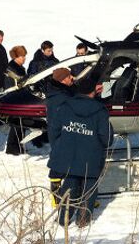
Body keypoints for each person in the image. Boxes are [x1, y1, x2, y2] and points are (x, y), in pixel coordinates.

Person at [47, 77, 114, 228]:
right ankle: (82, 222)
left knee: (69, 184)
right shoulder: (100, 111)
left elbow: (54, 130)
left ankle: (63, 219)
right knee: (89, 188)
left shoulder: (65, 106)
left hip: (68, 156)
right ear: (93, 91)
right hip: (91, 158)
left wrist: (60, 146)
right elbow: (107, 138)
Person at [47, 67, 75, 207]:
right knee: (60, 164)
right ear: (63, 79)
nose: (72, 78)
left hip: (60, 132)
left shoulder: (60, 91)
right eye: (70, 77)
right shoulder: (61, 97)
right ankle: (56, 197)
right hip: (61, 134)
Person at [4, 46, 28, 155]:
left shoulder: (20, 68)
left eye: (24, 56)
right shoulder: (11, 69)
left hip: (20, 98)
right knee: (16, 123)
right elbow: (11, 86)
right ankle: (12, 147)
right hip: (14, 99)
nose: (24, 58)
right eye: (22, 56)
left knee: (20, 123)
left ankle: (18, 146)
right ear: (16, 57)